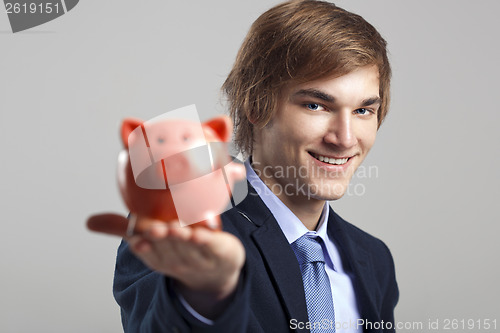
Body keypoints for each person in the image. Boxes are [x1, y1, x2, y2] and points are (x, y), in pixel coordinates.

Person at [88, 1, 399, 332]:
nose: (345, 138)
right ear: (256, 104)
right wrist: (206, 296)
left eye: (364, 110)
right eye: (316, 105)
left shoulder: (374, 259)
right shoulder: (178, 220)